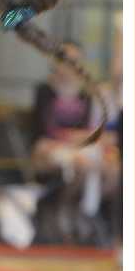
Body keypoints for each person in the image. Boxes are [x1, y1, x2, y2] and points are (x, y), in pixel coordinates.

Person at [31, 41, 121, 240]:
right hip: (50, 147)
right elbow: (46, 130)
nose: (70, 64)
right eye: (65, 59)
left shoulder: (85, 96)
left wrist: (79, 139)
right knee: (82, 163)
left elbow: (87, 131)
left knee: (109, 168)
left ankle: (86, 210)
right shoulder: (44, 91)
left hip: (77, 148)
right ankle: (67, 206)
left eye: (75, 60)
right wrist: (73, 138)